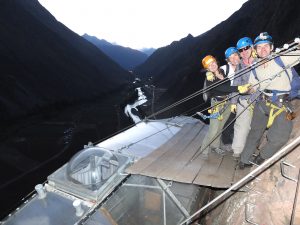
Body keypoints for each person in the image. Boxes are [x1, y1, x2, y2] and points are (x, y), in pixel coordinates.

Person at [239, 32, 300, 169]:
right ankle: (244, 159)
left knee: (280, 137)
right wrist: (247, 89)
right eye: (259, 47)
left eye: (266, 46)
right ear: (255, 50)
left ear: (272, 47)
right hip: (262, 103)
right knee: (254, 132)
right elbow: (253, 87)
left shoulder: (282, 58)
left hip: (282, 104)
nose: (263, 49)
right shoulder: (254, 68)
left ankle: (263, 155)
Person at [199, 55, 249, 157]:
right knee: (213, 129)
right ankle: (204, 149)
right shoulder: (210, 78)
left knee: (220, 127)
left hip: (227, 102)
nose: (212, 65)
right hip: (216, 104)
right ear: (207, 69)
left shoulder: (221, 72)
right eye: (209, 65)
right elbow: (222, 87)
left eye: (213, 62)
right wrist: (239, 88)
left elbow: (227, 84)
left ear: (216, 62)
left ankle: (215, 146)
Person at [230, 37, 256, 158]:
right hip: (244, 100)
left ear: (251, 47)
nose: (244, 52)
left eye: (246, 48)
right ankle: (237, 151)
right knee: (241, 125)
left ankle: (250, 151)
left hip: (259, 99)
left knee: (256, 126)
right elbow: (236, 84)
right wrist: (233, 102)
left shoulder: (261, 60)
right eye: (241, 50)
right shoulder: (240, 66)